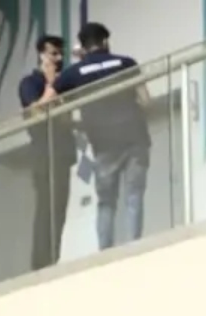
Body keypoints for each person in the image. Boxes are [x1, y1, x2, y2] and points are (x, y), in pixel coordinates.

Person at [37, 22, 150, 250]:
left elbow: (44, 105)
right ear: (105, 42)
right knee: (134, 195)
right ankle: (135, 247)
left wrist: (72, 121)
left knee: (106, 203)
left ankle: (105, 253)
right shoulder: (125, 63)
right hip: (135, 138)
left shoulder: (74, 73)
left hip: (104, 144)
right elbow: (146, 100)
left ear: (84, 47)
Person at [16, 34, 74, 271]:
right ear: (42, 54)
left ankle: (53, 259)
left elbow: (66, 117)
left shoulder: (65, 83)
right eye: (53, 53)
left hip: (62, 153)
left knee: (60, 209)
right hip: (43, 152)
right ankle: (40, 265)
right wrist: (51, 84)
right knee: (45, 208)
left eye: (61, 53)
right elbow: (37, 112)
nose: (58, 59)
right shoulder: (30, 83)